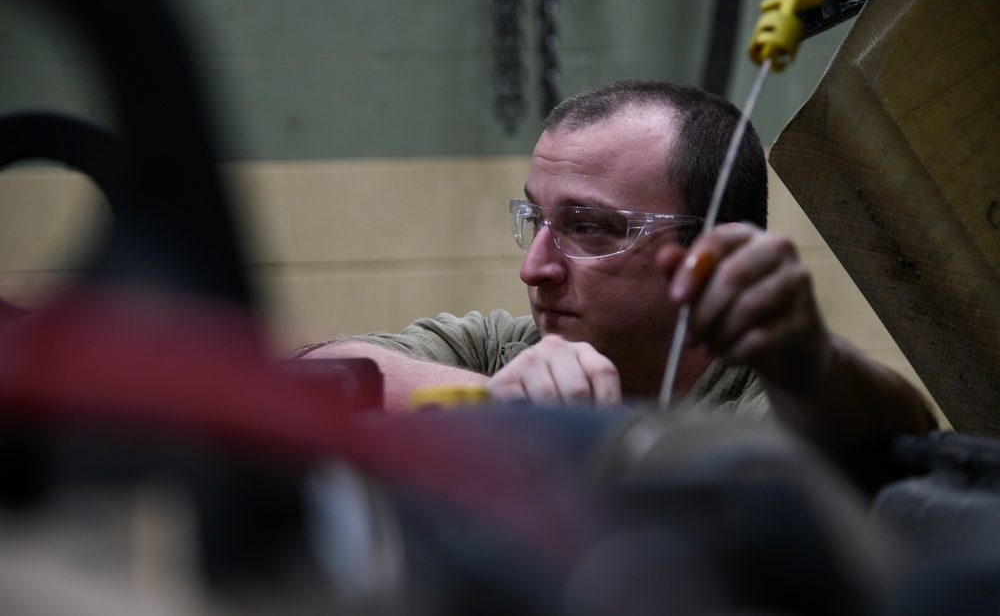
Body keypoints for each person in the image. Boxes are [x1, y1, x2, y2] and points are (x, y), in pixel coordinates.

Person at [294, 79, 936, 486]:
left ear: (712, 249)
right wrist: (497, 404)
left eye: (590, 227)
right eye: (536, 220)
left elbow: (893, 441)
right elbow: (306, 371)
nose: (534, 268)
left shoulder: (769, 403)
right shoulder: (505, 350)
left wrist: (812, 363)